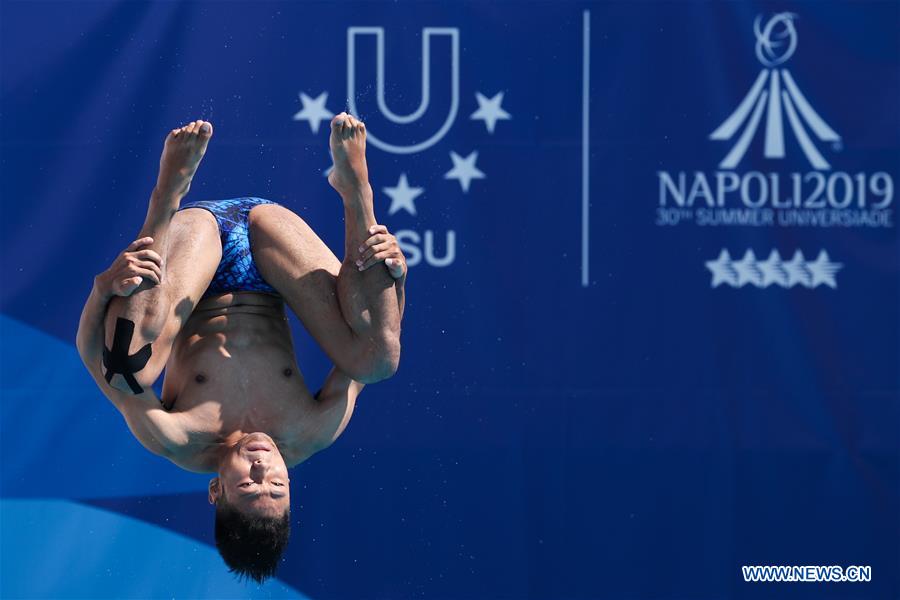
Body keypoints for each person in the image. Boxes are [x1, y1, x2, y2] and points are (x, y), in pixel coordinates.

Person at [75, 114, 406, 583]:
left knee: (125, 369)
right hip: (273, 244)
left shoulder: (176, 438)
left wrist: (104, 286)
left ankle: (165, 197)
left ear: (216, 491)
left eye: (250, 485)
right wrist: (398, 278)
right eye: (277, 483)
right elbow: (376, 335)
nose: (262, 465)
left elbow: (94, 357)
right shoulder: (312, 431)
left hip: (196, 252)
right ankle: (358, 193)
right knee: (378, 362)